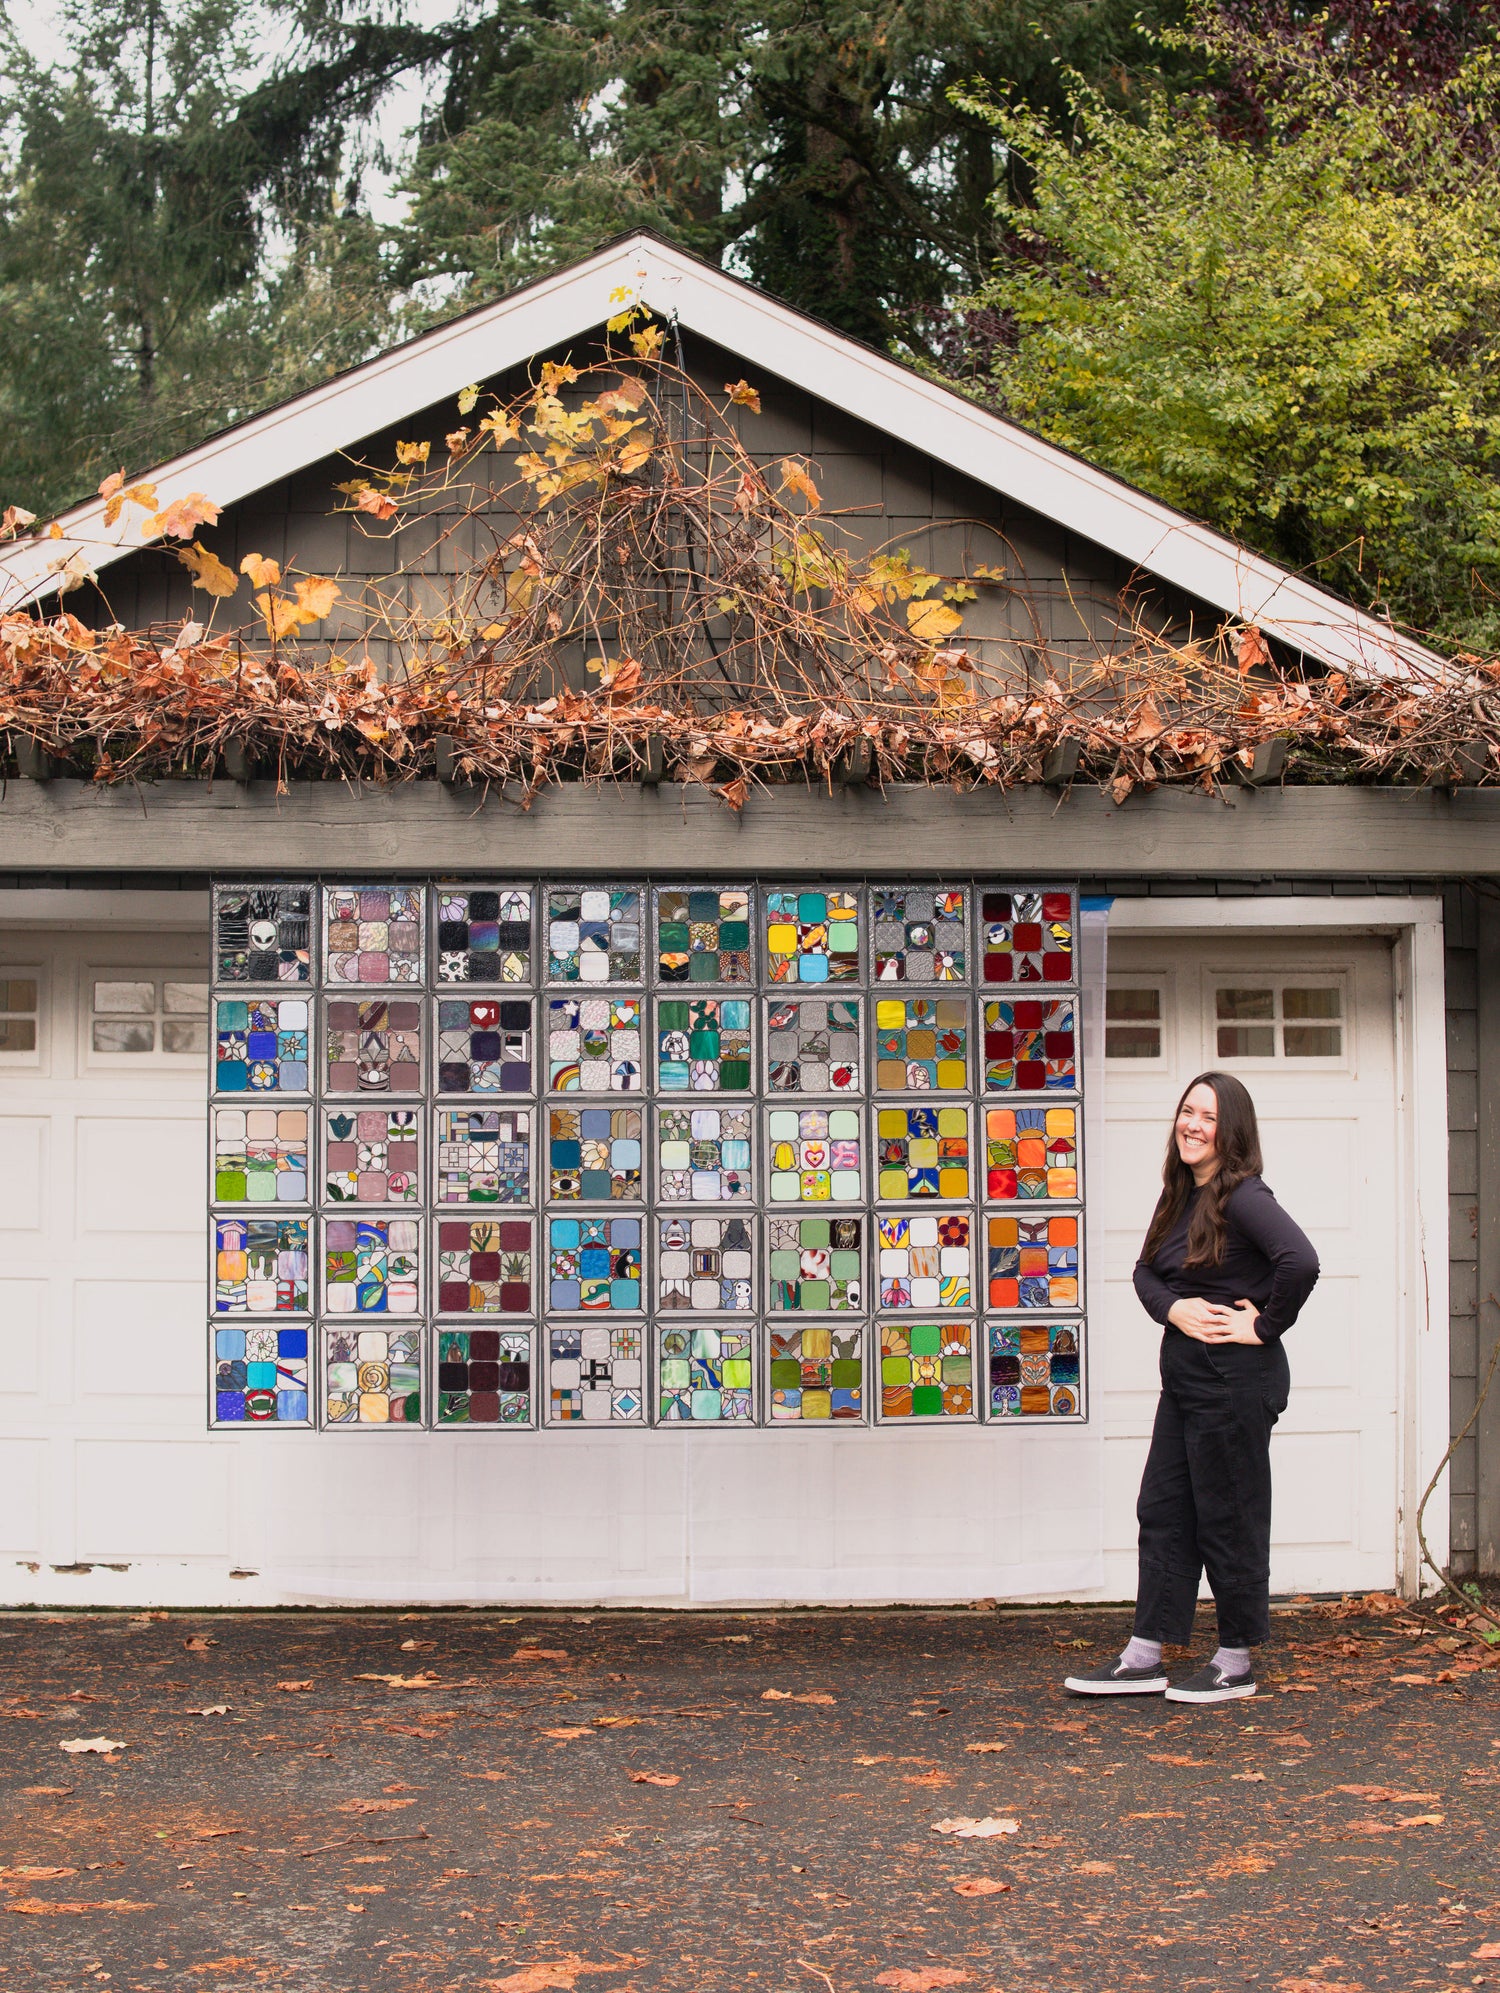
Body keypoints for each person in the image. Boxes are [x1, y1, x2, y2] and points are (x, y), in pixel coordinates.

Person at [1066, 1071, 1319, 1704]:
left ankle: (1235, 1662)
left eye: (1206, 1116)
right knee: (1163, 1510)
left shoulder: (1243, 1197)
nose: (1192, 1124)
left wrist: (1263, 1325)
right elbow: (1144, 1272)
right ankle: (1145, 1655)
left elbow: (1302, 1260)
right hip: (1186, 1381)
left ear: (1229, 1130)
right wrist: (1173, 1311)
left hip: (1233, 1383)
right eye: (1186, 1112)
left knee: (1227, 1518)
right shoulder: (1180, 1194)